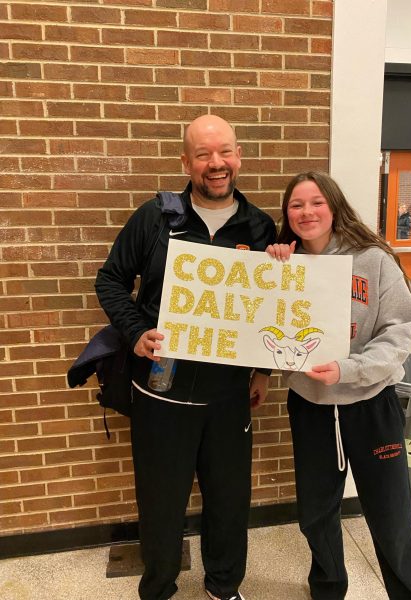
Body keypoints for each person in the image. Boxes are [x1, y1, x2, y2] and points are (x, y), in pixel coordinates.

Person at [95, 114, 276, 600]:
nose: (216, 164)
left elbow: (268, 309)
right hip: (161, 387)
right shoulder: (155, 217)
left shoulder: (260, 226)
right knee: (160, 502)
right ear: (186, 161)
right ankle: (157, 589)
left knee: (229, 500)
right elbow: (110, 280)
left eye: (226, 152)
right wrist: (134, 333)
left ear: (239, 156)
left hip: (229, 394)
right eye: (203, 155)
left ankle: (223, 587)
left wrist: (262, 369)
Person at [266, 172, 411, 600]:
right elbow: (260, 328)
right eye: (296, 205)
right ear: (287, 214)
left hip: (371, 405)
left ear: (335, 206)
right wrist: (267, 270)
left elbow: (400, 330)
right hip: (311, 406)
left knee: (391, 517)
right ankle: (327, 588)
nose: (307, 212)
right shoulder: (283, 266)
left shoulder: (372, 260)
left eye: (316, 202)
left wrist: (350, 369)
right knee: (315, 515)